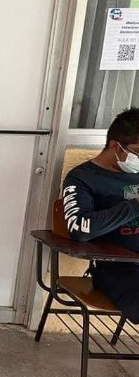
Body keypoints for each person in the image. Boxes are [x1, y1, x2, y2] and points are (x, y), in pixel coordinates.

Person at [62, 107, 139, 324]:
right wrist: (134, 206)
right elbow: (79, 229)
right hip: (119, 268)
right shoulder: (83, 179)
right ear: (116, 146)